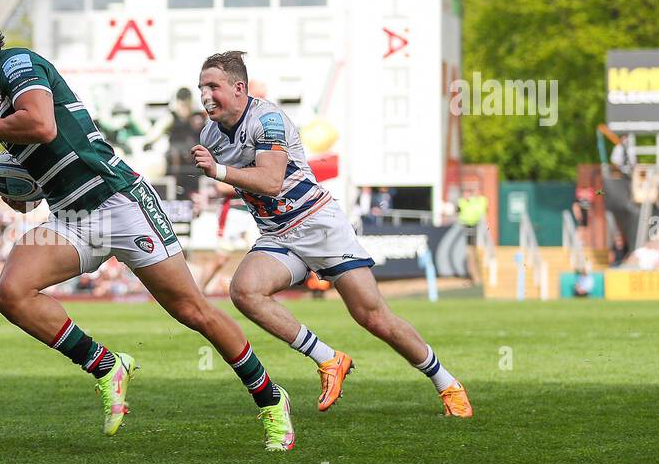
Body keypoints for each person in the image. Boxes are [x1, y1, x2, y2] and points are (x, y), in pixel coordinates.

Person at [0, 0, 296, 450]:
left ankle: (272, 400)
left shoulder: (17, 63)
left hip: (118, 200)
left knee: (193, 311)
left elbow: (41, 125)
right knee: (11, 293)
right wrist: (16, 188)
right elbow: (37, 169)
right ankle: (105, 365)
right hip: (72, 214)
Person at [191, 51, 472, 418]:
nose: (205, 95)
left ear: (239, 87)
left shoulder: (269, 120)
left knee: (373, 317)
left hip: (318, 225)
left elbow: (272, 182)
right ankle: (329, 359)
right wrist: (219, 182)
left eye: (213, 86)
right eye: (201, 88)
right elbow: (241, 179)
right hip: (278, 234)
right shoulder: (210, 134)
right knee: (244, 291)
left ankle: (447, 383)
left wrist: (220, 173)